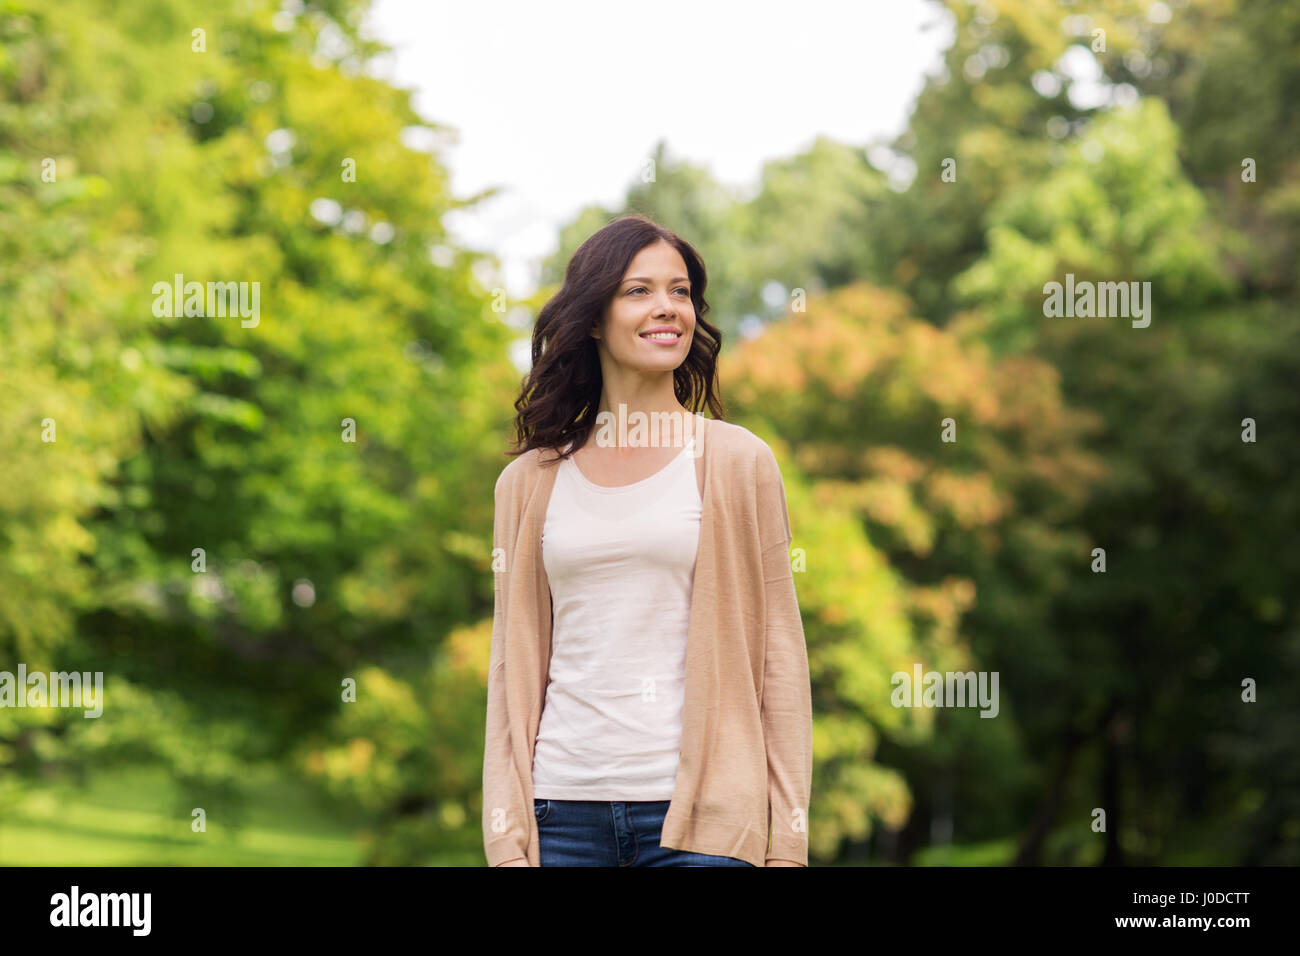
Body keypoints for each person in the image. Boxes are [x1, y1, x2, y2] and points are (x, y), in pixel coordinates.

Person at [483, 214, 811, 867]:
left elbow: (780, 657)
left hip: (706, 822)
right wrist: (506, 837)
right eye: (639, 290)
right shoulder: (528, 482)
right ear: (595, 318)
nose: (667, 308)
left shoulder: (738, 461)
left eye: (681, 291)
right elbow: (509, 669)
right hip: (560, 816)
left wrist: (789, 845)